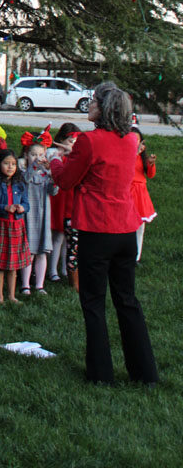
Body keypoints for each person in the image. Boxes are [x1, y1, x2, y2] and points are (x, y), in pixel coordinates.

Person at [50, 83, 158, 386]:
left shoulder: (89, 141)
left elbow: (68, 180)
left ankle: (101, 375)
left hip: (97, 230)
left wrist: (57, 161)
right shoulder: (131, 139)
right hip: (126, 228)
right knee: (127, 300)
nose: (90, 105)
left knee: (94, 302)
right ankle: (145, 373)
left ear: (105, 108)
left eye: (94, 101)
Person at [0, 150, 30, 305]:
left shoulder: (20, 182)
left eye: (13, 164)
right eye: (6, 163)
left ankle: (11, 296)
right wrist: (5, 207)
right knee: (0, 263)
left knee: (13, 264)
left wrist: (22, 208)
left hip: (16, 225)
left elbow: (26, 203)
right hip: (0, 225)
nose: (10, 167)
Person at [19, 134, 56, 296]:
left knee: (42, 252)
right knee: (29, 252)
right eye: (34, 154)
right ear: (27, 155)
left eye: (41, 155)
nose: (37, 158)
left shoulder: (46, 175)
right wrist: (34, 166)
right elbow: (25, 180)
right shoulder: (23, 172)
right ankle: (25, 285)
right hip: (30, 215)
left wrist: (53, 175)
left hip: (44, 216)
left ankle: (39, 285)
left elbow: (53, 191)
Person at [47, 123, 81, 282]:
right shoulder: (56, 155)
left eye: (75, 142)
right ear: (61, 140)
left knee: (70, 238)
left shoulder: (77, 158)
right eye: (69, 141)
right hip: (60, 197)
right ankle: (52, 270)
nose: (72, 145)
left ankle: (66, 267)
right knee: (58, 235)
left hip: (72, 200)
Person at [130, 127, 157, 261]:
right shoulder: (126, 155)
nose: (135, 142)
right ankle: (126, 253)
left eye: (137, 140)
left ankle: (136, 256)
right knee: (128, 223)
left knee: (140, 226)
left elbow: (150, 175)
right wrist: (135, 153)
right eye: (132, 139)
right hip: (129, 192)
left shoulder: (142, 157)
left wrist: (151, 164)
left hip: (140, 193)